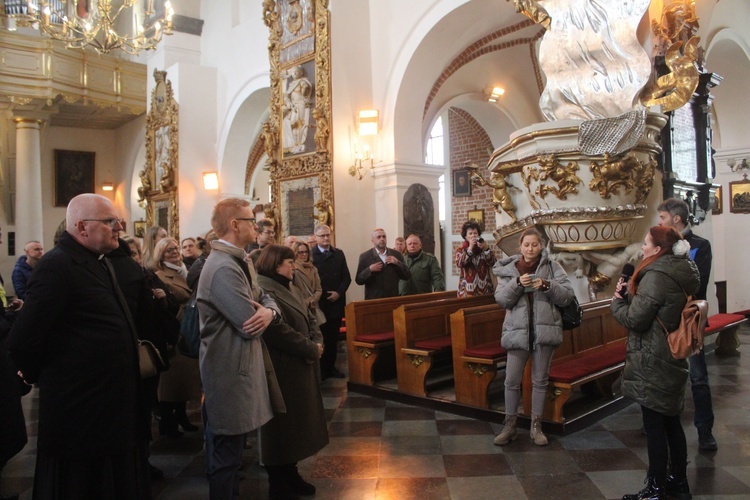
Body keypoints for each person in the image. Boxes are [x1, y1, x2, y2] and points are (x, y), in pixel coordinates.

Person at [8, 193, 149, 499]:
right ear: (83, 227)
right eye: (110, 221)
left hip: (109, 403)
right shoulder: (57, 266)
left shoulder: (99, 261)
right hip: (81, 407)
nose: (119, 227)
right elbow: (24, 337)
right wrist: (37, 374)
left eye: (118, 221)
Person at [197, 198, 284, 500]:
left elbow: (265, 297)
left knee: (233, 456)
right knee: (226, 458)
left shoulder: (240, 260)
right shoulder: (222, 267)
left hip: (238, 369)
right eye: (251, 220)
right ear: (235, 225)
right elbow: (249, 321)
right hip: (228, 372)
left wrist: (270, 311)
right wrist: (266, 313)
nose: (256, 226)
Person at [612, 225, 700, 500]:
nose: (642, 247)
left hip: (653, 356)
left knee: (654, 426)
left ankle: (656, 489)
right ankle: (678, 481)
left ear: (659, 249)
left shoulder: (657, 276)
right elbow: (653, 308)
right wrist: (629, 294)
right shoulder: (680, 270)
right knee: (671, 420)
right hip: (669, 354)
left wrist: (616, 303)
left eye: (647, 243)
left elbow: (636, 320)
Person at [255, 245, 328, 498]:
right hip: (280, 366)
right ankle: (278, 481)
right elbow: (277, 330)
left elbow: (309, 316)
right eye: (289, 262)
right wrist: (310, 348)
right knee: (281, 427)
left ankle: (291, 473)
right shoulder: (263, 288)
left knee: (296, 426)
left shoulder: (291, 284)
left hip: (299, 363)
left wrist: (317, 340)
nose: (294, 266)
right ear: (276, 264)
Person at [492, 228, 575, 447]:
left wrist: (547, 285)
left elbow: (567, 296)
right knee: (511, 381)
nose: (530, 249)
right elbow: (501, 299)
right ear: (520, 246)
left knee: (540, 381)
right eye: (526, 244)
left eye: (535, 245)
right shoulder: (509, 270)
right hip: (517, 332)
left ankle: (536, 427)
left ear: (541, 246)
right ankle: (509, 426)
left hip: (544, 331)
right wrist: (518, 283)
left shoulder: (552, 267)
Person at [657, 198, 719, 451]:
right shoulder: (662, 247)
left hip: (690, 319)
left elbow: (697, 284)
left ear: (677, 219)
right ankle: (659, 423)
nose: (659, 222)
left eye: (662, 218)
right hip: (664, 319)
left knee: (698, 376)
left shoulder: (700, 246)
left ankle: (704, 429)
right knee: (662, 375)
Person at [150, 238, 200, 439]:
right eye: (169, 250)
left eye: (175, 249)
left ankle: (182, 416)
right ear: (161, 255)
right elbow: (167, 304)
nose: (175, 252)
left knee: (184, 383)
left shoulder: (185, 270)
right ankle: (168, 423)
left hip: (188, 330)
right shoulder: (161, 275)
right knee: (171, 384)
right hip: (176, 330)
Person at [311, 224, 351, 380]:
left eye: (328, 235)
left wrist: (338, 293)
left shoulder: (338, 254)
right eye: (322, 236)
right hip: (319, 304)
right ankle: (321, 369)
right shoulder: (312, 254)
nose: (326, 238)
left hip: (335, 302)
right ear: (316, 237)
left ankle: (331, 367)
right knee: (321, 337)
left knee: (333, 338)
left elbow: (346, 277)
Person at [355, 228, 410, 299]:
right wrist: (369, 270)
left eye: (384, 236)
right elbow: (359, 280)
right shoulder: (365, 256)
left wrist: (397, 263)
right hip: (374, 300)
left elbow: (407, 275)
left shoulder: (397, 254)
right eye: (378, 237)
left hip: (393, 299)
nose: (382, 239)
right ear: (372, 240)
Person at [456, 221, 496, 297]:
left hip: (485, 290)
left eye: (475, 233)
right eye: (470, 233)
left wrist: (486, 249)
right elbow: (460, 263)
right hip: (467, 292)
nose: (473, 236)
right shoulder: (460, 250)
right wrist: (470, 248)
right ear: (465, 236)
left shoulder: (483, 248)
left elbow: (493, 263)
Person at [292, 241, 324, 325]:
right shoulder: (293, 268)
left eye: (306, 252)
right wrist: (305, 302)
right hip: (300, 305)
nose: (304, 254)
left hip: (313, 305)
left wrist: (313, 300)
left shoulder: (313, 268)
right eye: (301, 252)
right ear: (295, 253)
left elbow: (319, 289)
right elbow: (292, 289)